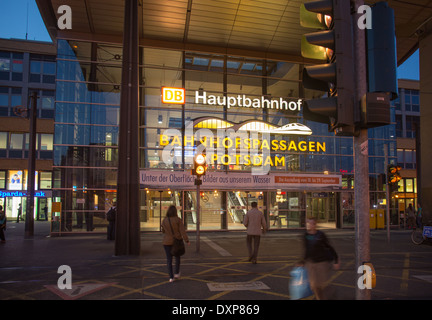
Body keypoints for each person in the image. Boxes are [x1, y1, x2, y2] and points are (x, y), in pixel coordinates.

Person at [298, 216, 340, 300]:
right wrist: (302, 261)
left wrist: (336, 260)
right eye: (309, 223)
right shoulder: (305, 235)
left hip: (322, 263)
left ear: (315, 224)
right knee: (313, 285)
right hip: (311, 263)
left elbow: (329, 247)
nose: (310, 225)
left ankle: (327, 294)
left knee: (321, 285)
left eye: (312, 223)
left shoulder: (321, 235)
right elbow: (306, 250)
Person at [161, 205, 190, 282]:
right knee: (177, 257)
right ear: (175, 212)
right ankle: (176, 273)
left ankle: (171, 277)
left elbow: (163, 231)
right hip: (176, 241)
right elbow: (182, 231)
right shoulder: (178, 220)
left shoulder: (164, 220)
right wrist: (187, 240)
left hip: (166, 242)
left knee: (169, 259)